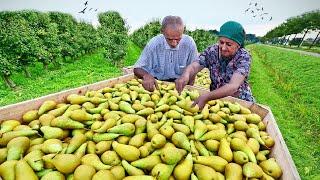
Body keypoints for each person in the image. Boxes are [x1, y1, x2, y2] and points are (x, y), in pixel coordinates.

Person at [175, 21, 255, 109]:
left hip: (239, 103)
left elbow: (233, 86)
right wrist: (186, 74)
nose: (223, 48)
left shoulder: (243, 57)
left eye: (229, 44)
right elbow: (195, 65)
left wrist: (206, 97)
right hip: (215, 100)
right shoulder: (212, 51)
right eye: (221, 42)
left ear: (238, 45)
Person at [134, 15, 198, 92]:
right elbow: (137, 68)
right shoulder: (154, 44)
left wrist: (189, 89)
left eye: (178, 39)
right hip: (157, 85)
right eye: (170, 39)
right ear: (162, 32)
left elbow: (194, 69)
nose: (174, 43)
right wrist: (146, 75)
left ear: (183, 31)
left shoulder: (189, 43)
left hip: (180, 86)